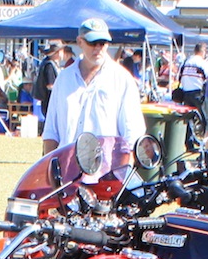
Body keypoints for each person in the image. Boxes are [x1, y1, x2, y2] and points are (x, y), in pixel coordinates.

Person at [41, 17, 145, 166]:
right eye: (92, 43)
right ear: (80, 42)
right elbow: (51, 131)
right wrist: (49, 169)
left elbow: (133, 134)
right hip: (67, 174)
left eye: (102, 43)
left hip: (107, 175)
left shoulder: (122, 79)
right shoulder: (64, 79)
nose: (97, 48)